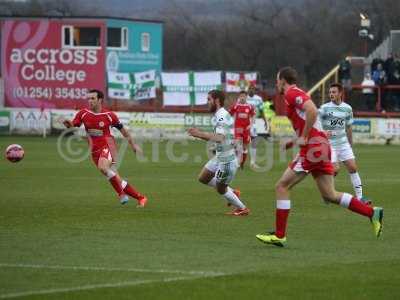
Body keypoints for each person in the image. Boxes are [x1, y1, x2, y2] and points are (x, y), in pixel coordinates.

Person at [256, 67, 383, 247]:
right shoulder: (295, 93)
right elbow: (309, 120)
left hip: (313, 148)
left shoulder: (291, 93)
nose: (276, 84)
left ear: (283, 80)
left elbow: (312, 111)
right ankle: (372, 213)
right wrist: (294, 140)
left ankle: (279, 235)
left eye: (277, 80)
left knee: (282, 186)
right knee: (330, 194)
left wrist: (305, 137)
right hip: (321, 146)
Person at [63, 89, 147, 207]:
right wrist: (69, 125)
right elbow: (73, 127)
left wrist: (133, 145)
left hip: (109, 145)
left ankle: (121, 195)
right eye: (88, 98)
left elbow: (124, 131)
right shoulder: (83, 114)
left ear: (100, 100)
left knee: (103, 167)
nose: (90, 101)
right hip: (94, 151)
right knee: (115, 178)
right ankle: (141, 198)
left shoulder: (109, 115)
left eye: (92, 98)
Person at [188, 90, 250, 216]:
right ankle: (232, 192)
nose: (207, 102)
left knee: (221, 188)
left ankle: (242, 208)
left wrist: (199, 134)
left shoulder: (221, 116)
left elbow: (220, 137)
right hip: (220, 155)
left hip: (227, 159)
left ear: (216, 101)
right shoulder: (219, 114)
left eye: (209, 99)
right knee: (203, 178)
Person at [319, 83, 367, 202]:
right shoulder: (324, 108)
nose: (331, 94)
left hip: (343, 143)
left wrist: (350, 144)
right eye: (330, 92)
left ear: (340, 93)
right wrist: (324, 133)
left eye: (334, 92)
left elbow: (349, 127)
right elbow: (316, 124)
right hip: (330, 145)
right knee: (334, 169)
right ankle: (328, 194)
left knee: (353, 168)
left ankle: (360, 197)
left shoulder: (347, 108)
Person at [229, 90, 255, 169]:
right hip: (238, 128)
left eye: (244, 96)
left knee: (244, 148)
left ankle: (242, 163)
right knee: (238, 145)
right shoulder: (236, 106)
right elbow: (229, 114)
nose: (242, 98)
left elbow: (253, 115)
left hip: (246, 129)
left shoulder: (250, 106)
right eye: (241, 96)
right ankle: (237, 162)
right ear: (239, 97)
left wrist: (251, 124)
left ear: (246, 97)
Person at [246, 85, 267, 168]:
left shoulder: (258, 99)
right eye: (249, 89)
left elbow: (262, 111)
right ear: (247, 90)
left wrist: (265, 121)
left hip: (253, 123)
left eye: (252, 89)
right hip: (243, 122)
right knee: (240, 142)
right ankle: (238, 161)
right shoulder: (243, 98)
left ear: (255, 90)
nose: (251, 90)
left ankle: (253, 162)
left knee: (254, 141)